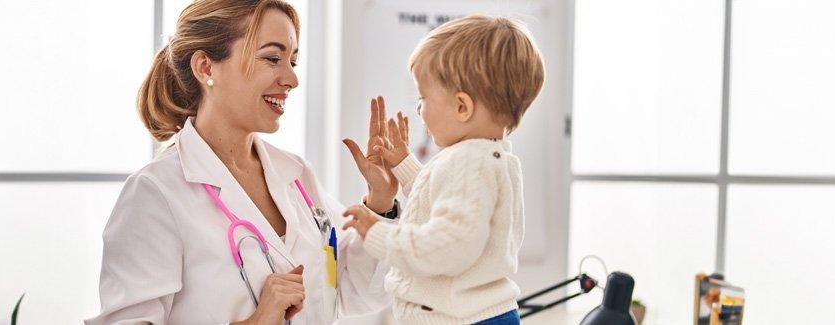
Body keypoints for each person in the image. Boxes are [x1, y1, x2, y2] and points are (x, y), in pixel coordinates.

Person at [85, 0, 399, 324]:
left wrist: (381, 201)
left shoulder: (296, 175)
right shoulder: (155, 193)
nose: (292, 78)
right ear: (206, 68)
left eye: (292, 61)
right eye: (272, 58)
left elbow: (353, 290)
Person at [339, 14, 546, 324]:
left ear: (462, 107)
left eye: (423, 97)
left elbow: (449, 246)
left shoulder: (469, 161)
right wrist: (404, 167)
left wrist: (379, 233)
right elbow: (445, 196)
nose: (419, 108)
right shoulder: (489, 157)